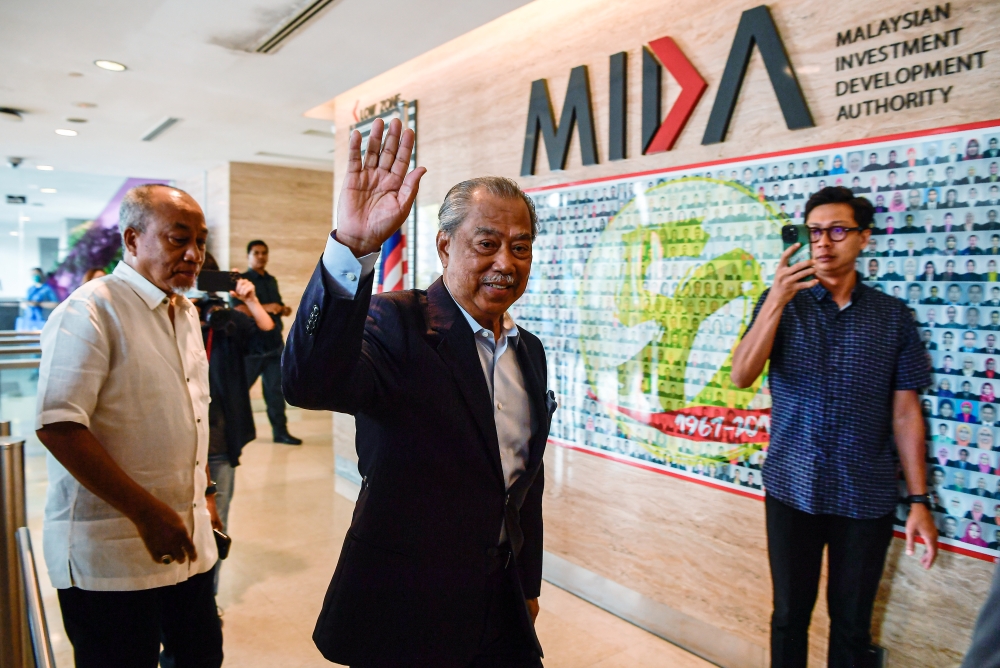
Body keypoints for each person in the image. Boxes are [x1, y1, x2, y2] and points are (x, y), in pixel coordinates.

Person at [282, 118, 551, 666]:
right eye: (487, 243)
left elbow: (525, 482)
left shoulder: (530, 351)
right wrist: (353, 247)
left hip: (498, 607)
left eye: (520, 247)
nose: (506, 262)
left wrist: (527, 582)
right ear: (444, 246)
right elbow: (309, 384)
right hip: (401, 608)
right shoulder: (394, 323)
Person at [730, 186, 936, 668]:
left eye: (838, 230)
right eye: (814, 232)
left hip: (865, 495)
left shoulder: (892, 317)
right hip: (792, 486)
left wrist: (921, 501)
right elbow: (742, 375)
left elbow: (906, 412)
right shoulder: (781, 301)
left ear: (864, 238)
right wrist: (777, 300)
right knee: (788, 618)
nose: (823, 242)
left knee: (851, 627)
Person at [34, 184, 223, 667]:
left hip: (188, 542)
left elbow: (190, 412)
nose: (194, 254)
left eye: (200, 241)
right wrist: (147, 513)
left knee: (201, 656)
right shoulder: (89, 310)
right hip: (113, 557)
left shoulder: (184, 311)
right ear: (133, 239)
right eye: (178, 239)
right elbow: (59, 425)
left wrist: (204, 496)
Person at [194, 253, 276, 593]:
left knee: (215, 521)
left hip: (218, 440)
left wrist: (251, 300)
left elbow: (269, 339)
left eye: (204, 276)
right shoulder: (162, 320)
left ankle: (206, 601)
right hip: (174, 446)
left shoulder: (225, 322)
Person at [236, 240, 302, 445]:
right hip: (251, 348)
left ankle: (280, 432)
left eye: (264, 253)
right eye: (256, 253)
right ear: (248, 256)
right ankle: (233, 433)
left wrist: (282, 309)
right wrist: (267, 307)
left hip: (274, 346)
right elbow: (239, 310)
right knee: (237, 393)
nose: (261, 257)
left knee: (275, 392)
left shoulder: (271, 280)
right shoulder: (242, 281)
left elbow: (279, 305)